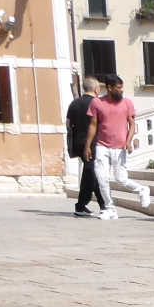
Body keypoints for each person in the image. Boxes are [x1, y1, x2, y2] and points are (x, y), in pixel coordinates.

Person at [84, 74, 149, 220]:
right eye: (118, 88)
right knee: (101, 178)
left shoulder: (127, 103)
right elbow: (93, 125)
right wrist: (88, 146)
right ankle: (109, 208)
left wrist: (128, 141)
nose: (121, 90)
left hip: (119, 147)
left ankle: (142, 189)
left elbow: (132, 124)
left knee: (121, 179)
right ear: (109, 88)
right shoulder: (96, 103)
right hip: (101, 146)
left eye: (121, 87)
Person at [65, 75, 100, 216]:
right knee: (91, 172)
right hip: (92, 143)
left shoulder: (73, 104)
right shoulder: (97, 103)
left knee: (90, 172)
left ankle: (89, 205)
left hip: (78, 143)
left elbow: (68, 125)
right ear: (96, 89)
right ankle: (83, 205)